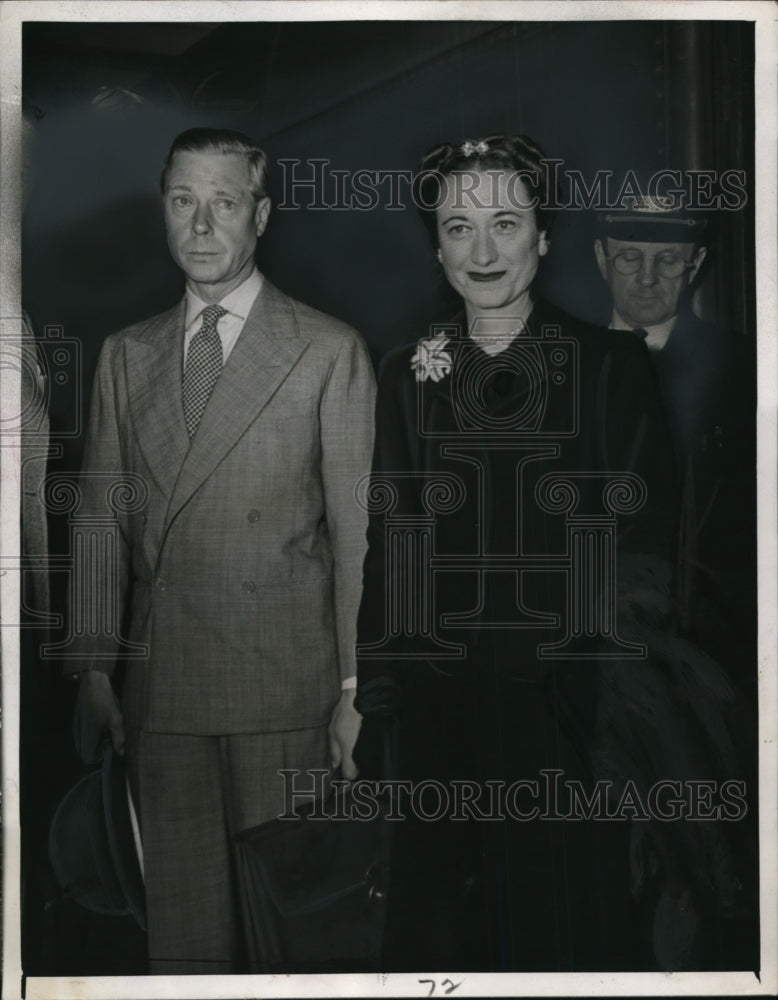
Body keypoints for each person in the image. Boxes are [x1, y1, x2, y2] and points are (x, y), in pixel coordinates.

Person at [354, 135, 680, 971]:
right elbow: (394, 547)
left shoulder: (610, 369)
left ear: (543, 238)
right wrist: (380, 704)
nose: (484, 249)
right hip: (440, 729)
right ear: (437, 246)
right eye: (459, 227)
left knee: (565, 936)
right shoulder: (406, 375)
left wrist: (615, 717)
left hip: (570, 723)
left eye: (506, 223)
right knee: (444, 944)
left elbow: (646, 560)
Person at [67, 128, 376, 973]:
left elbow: (358, 538)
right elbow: (100, 517)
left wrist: (356, 692)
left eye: (225, 203)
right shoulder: (127, 355)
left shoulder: (326, 348)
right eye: (182, 202)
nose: (201, 226)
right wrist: (96, 669)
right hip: (161, 701)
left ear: (261, 214)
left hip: (288, 696)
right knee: (186, 953)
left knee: (298, 948)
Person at [594, 199, 756, 647]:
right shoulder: (564, 365)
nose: (647, 278)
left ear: (696, 263)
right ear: (601, 259)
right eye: (629, 257)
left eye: (667, 260)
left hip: (714, 643)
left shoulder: (747, 371)